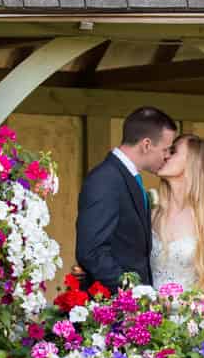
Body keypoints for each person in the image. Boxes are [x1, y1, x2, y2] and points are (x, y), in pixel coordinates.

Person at [75, 107, 177, 292]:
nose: (167, 156)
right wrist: (132, 289)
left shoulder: (128, 177)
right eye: (165, 149)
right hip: (114, 307)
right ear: (146, 145)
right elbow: (91, 251)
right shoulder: (105, 179)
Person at [151, 134, 204, 301]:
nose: (165, 155)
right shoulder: (151, 215)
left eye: (173, 151)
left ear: (193, 162)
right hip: (152, 320)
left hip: (192, 320)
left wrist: (185, 307)